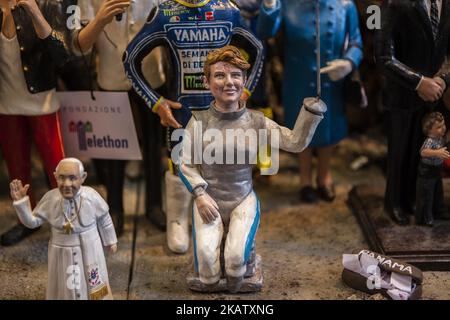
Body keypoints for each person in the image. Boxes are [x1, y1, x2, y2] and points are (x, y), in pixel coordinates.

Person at [178, 45, 325, 292]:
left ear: (244, 81)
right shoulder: (199, 121)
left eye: (236, 76)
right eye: (220, 75)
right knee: (208, 273)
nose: (229, 82)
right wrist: (200, 195)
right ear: (207, 82)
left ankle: (239, 271)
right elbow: (185, 163)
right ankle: (211, 274)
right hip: (209, 202)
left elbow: (293, 142)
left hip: (241, 200)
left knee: (236, 265)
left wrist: (310, 114)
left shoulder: (256, 122)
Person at [123, 0, 264, 254]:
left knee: (222, 164)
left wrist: (245, 91)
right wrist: (156, 103)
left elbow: (258, 49)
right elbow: (130, 58)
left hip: (222, 113)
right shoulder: (164, 12)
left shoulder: (228, 10)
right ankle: (177, 219)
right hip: (182, 112)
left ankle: (223, 221)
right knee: (178, 164)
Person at [73, 0, 166, 235]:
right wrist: (100, 19)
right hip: (111, 76)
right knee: (113, 146)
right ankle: (114, 207)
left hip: (151, 74)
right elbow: (80, 47)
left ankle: (155, 203)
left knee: (154, 144)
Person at [257, 0, 363, 204]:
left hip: (332, 84)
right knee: (301, 131)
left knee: (328, 131)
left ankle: (324, 177)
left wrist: (348, 62)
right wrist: (270, 5)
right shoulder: (287, 4)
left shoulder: (345, 5)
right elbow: (265, 31)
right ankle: (304, 180)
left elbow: (356, 42)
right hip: (298, 80)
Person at [0, 0, 69, 246]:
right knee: (17, 170)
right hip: (6, 105)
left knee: (58, 169)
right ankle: (24, 219)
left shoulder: (48, 4)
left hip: (42, 104)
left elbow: (62, 55)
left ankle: (69, 219)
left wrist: (35, 12)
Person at [375, 0, 450, 225]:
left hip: (435, 97)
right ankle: (396, 202)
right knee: (400, 152)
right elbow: (383, 57)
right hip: (402, 96)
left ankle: (427, 203)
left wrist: (443, 80)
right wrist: (419, 82)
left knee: (429, 152)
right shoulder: (393, 4)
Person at [10, 158, 118, 300]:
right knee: (64, 286)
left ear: (83, 178)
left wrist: (111, 240)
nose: (67, 184)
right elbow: (32, 222)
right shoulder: (51, 198)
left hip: (90, 249)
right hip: (60, 252)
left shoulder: (91, 196)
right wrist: (21, 203)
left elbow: (104, 219)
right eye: (62, 178)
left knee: (90, 284)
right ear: (55, 176)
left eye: (73, 178)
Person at [416, 112, 450, 226]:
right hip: (428, 171)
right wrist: (437, 152)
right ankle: (426, 218)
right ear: (430, 130)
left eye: (443, 124)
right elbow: (423, 152)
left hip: (437, 170)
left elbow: (446, 139)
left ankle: (439, 211)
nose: (443, 128)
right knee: (427, 195)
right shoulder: (429, 141)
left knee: (438, 192)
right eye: (439, 127)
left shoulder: (440, 138)